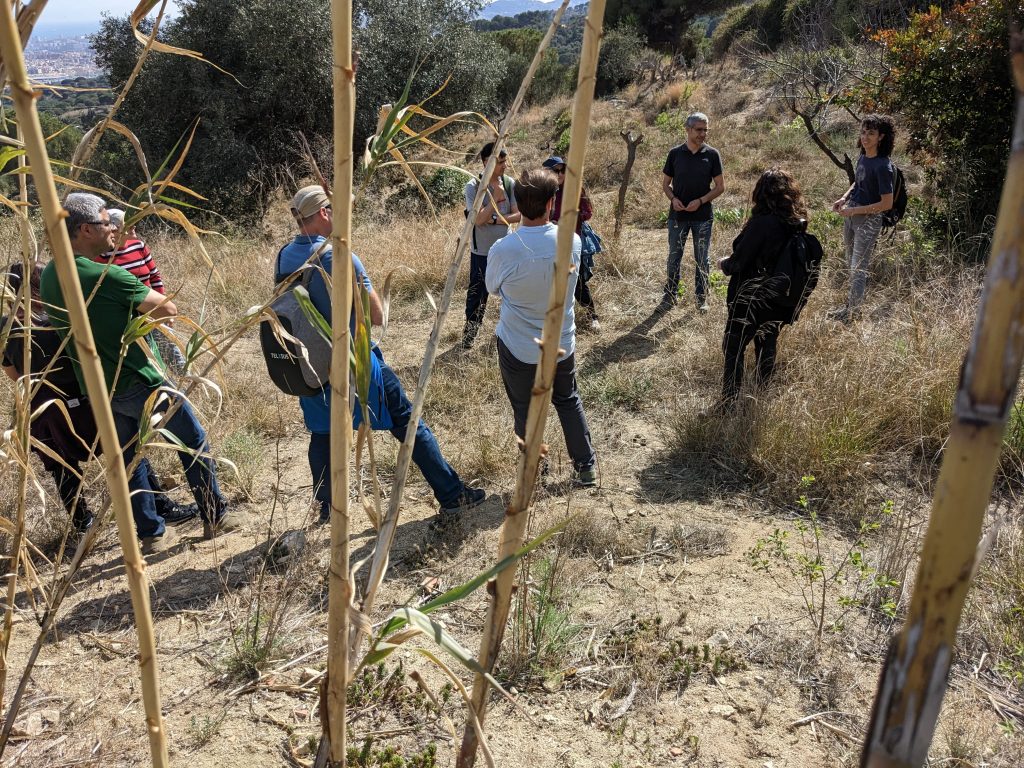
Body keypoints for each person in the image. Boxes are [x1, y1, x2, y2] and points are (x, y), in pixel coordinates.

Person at [278, 185, 486, 524]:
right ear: (324, 213)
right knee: (408, 421)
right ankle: (452, 495)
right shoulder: (340, 255)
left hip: (309, 367)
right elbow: (376, 316)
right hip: (354, 363)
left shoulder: (283, 255)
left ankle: (328, 512)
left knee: (322, 433)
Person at [39, 193, 234, 554]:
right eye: (104, 222)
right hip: (139, 377)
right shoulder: (107, 275)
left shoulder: (51, 272)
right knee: (191, 439)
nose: (113, 227)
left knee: (128, 458)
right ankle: (215, 514)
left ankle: (152, 534)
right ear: (84, 230)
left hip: (99, 385)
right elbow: (167, 311)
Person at [2, 263, 197, 534]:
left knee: (61, 468)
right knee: (129, 451)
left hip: (43, 412)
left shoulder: (6, 327)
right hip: (85, 403)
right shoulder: (59, 321)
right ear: (39, 287)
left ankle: (83, 524)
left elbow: (14, 375)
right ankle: (159, 507)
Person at [485, 168, 597, 487]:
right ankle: (585, 466)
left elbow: (492, 287)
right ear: (551, 203)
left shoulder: (504, 250)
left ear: (519, 202)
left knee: (525, 407)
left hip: (518, 346)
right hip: (562, 341)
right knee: (567, 398)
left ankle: (535, 469)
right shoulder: (570, 242)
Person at [717, 168, 809, 407]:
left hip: (750, 298)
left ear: (761, 192)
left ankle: (728, 403)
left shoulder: (762, 223)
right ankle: (760, 397)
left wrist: (723, 263)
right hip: (778, 297)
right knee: (767, 343)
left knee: (733, 347)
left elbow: (739, 261)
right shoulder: (796, 222)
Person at [98, 209, 187, 371]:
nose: (134, 226)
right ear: (114, 230)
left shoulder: (139, 246)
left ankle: (188, 383)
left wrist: (163, 306)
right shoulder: (100, 257)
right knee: (144, 361)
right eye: (129, 223)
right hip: (125, 321)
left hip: (151, 311)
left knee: (173, 356)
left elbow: (155, 277)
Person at [830, 114, 896, 322]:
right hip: (851, 216)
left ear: (881, 137)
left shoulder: (883, 166)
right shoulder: (863, 157)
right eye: (863, 132)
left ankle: (853, 314)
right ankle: (849, 308)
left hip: (868, 221)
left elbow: (887, 204)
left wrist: (855, 211)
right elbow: (857, 184)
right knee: (851, 263)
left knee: (859, 268)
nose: (865, 137)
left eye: (871, 133)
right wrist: (843, 199)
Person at [661, 112, 725, 311]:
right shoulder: (675, 154)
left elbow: (720, 186)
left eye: (705, 130)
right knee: (674, 256)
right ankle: (670, 296)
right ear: (687, 129)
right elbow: (665, 185)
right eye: (699, 130)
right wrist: (673, 199)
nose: (703, 134)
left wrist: (701, 201)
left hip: (703, 217)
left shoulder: (712, 154)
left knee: (702, 259)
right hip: (678, 216)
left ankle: (701, 297)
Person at [462, 141, 521, 349]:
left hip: (506, 250)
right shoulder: (473, 187)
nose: (505, 165)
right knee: (477, 295)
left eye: (505, 161)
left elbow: (517, 216)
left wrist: (494, 218)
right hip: (482, 253)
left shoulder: (510, 183)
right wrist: (495, 197)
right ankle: (469, 336)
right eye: (501, 161)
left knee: (512, 294)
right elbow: (476, 220)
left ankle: (510, 336)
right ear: (487, 162)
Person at [542, 156, 600, 332]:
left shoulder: (574, 190)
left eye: (562, 170)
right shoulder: (543, 191)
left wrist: (571, 217)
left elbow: (587, 212)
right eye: (555, 171)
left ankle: (593, 317)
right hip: (549, 244)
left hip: (573, 243)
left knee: (579, 283)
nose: (559, 174)